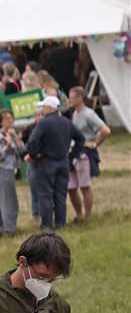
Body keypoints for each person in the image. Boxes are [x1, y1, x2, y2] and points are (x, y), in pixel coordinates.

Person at [24, 95, 82, 230]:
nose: (42, 109)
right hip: (63, 161)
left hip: (46, 162)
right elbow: (80, 138)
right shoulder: (66, 122)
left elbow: (32, 141)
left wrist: (33, 155)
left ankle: (47, 225)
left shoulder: (44, 123)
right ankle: (60, 223)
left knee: (45, 194)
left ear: (49, 108)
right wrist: (73, 155)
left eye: (44, 107)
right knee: (60, 194)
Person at [65, 87, 109, 221]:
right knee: (71, 187)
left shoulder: (88, 114)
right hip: (74, 152)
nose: (69, 100)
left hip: (84, 153)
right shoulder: (75, 113)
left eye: (72, 97)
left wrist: (94, 144)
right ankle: (79, 214)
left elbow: (105, 130)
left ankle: (88, 216)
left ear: (80, 98)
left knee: (84, 185)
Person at [0, 109, 25, 236]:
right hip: (2, 171)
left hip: (9, 170)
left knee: (1, 201)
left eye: (11, 118)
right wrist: (8, 145)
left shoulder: (11, 134)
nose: (10, 120)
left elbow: (22, 151)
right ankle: (10, 229)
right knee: (9, 201)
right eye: (6, 119)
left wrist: (16, 139)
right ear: (0, 122)